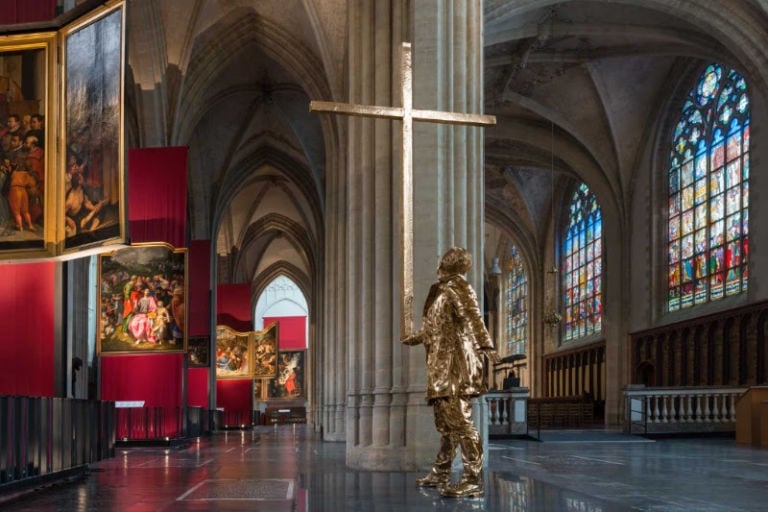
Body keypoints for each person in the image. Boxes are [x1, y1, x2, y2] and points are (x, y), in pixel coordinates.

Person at [401, 246, 499, 498]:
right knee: (446, 424)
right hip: (439, 366)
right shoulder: (439, 292)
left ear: (449, 264)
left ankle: (473, 479)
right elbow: (434, 329)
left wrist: (485, 344)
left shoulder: (458, 286)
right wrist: (414, 337)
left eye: (442, 259)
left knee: (461, 422)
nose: (438, 263)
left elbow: (473, 316)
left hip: (455, 366)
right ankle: (441, 471)